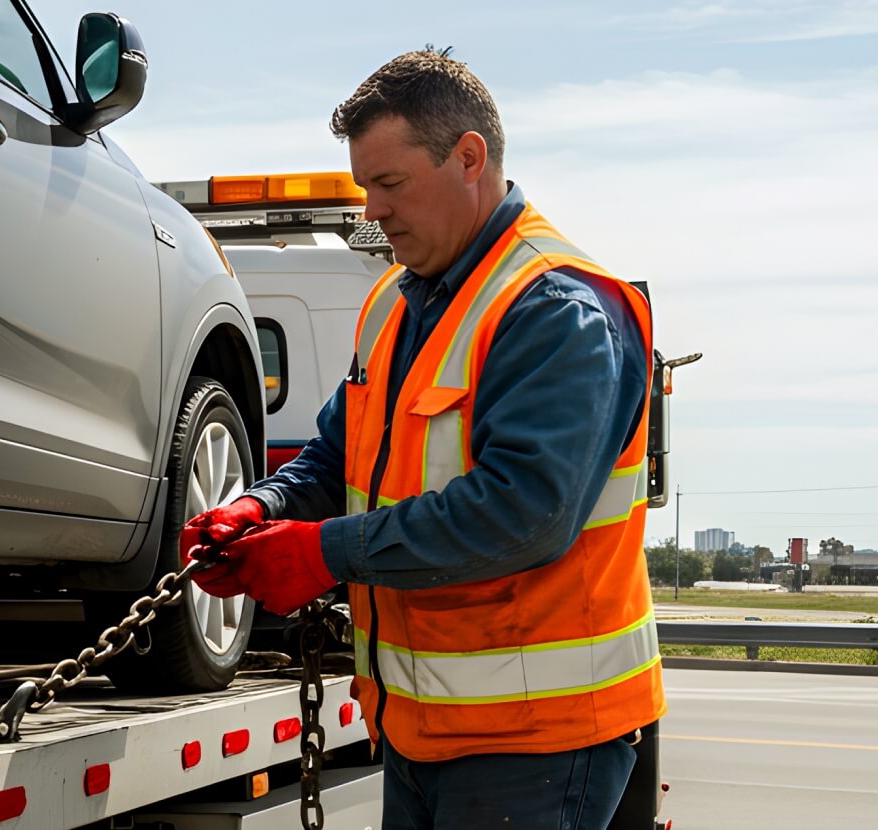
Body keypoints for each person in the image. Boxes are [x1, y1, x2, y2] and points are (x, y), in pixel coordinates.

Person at [182, 48, 664, 828]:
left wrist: (319, 553)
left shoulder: (555, 308)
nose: (372, 209)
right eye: (364, 186)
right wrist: (260, 506)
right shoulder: (395, 306)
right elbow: (337, 455)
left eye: (390, 184)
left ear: (468, 158)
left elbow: (525, 514)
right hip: (422, 730)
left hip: (537, 742)